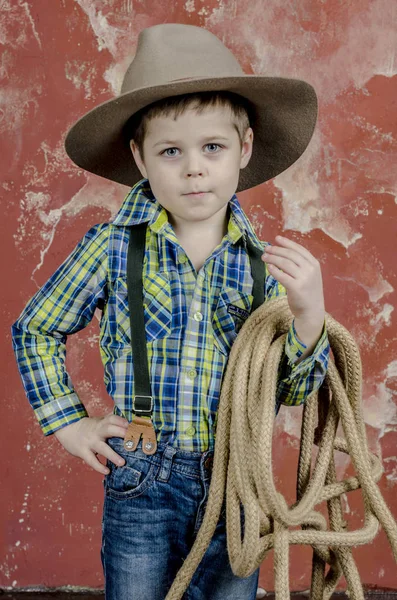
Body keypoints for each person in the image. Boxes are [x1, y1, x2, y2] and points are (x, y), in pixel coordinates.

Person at [11, 23, 330, 600]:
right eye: (170, 151)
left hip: (238, 483)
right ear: (140, 157)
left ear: (245, 149)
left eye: (212, 147)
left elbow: (288, 391)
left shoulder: (263, 266)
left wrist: (309, 315)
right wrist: (68, 423)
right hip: (142, 478)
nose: (193, 168)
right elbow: (35, 329)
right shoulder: (111, 247)